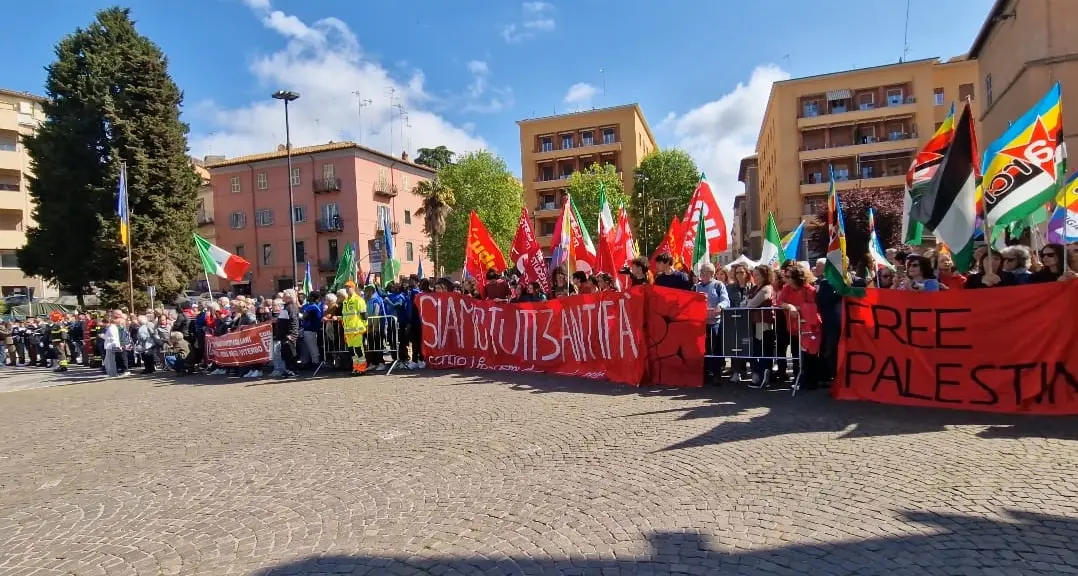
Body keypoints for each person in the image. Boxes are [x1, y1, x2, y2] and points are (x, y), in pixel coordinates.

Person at [695, 262, 730, 385]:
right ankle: (704, 373)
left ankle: (716, 373)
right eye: (701, 271)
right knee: (701, 349)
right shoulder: (696, 287)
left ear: (711, 273)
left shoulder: (718, 285)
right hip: (700, 324)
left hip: (714, 322)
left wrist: (720, 306)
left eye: (705, 272)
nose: (702, 274)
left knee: (715, 349)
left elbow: (726, 300)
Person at [340, 281, 369, 375]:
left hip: (357, 329)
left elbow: (364, 315)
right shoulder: (345, 302)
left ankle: (362, 369)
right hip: (348, 331)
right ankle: (356, 368)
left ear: (353, 288)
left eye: (349, 287)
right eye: (346, 287)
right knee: (352, 351)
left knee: (358, 349)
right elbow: (345, 317)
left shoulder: (358, 300)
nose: (347, 289)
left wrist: (364, 326)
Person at [299, 291, 323, 368]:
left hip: (311, 330)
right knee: (309, 348)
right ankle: (311, 363)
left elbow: (304, 317)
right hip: (311, 330)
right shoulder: (314, 306)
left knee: (312, 348)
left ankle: (316, 363)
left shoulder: (312, 307)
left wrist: (298, 315)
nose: (308, 297)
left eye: (310, 296)